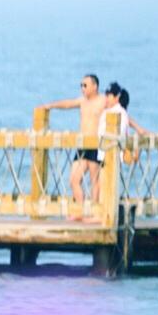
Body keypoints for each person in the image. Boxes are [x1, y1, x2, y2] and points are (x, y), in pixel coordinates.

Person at [37, 74, 106, 220]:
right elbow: (67, 104)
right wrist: (50, 106)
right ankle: (80, 210)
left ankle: (94, 214)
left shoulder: (103, 101)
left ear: (95, 86)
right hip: (82, 146)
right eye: (81, 85)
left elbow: (118, 110)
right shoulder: (82, 101)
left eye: (85, 85)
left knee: (95, 181)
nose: (82, 88)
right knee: (74, 180)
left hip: (96, 145)